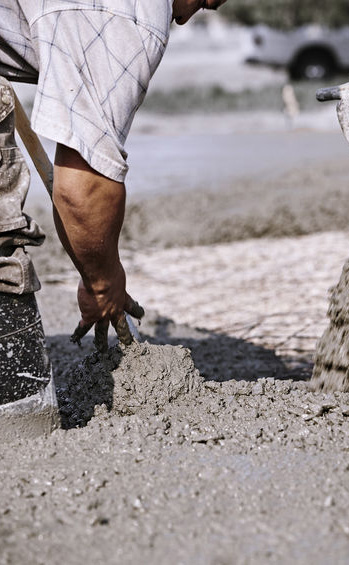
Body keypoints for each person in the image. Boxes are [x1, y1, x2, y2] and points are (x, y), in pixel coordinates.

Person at [0, 0, 228, 435]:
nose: (187, 17)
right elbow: (82, 188)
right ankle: (17, 415)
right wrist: (103, 282)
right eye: (205, 1)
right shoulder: (132, 12)